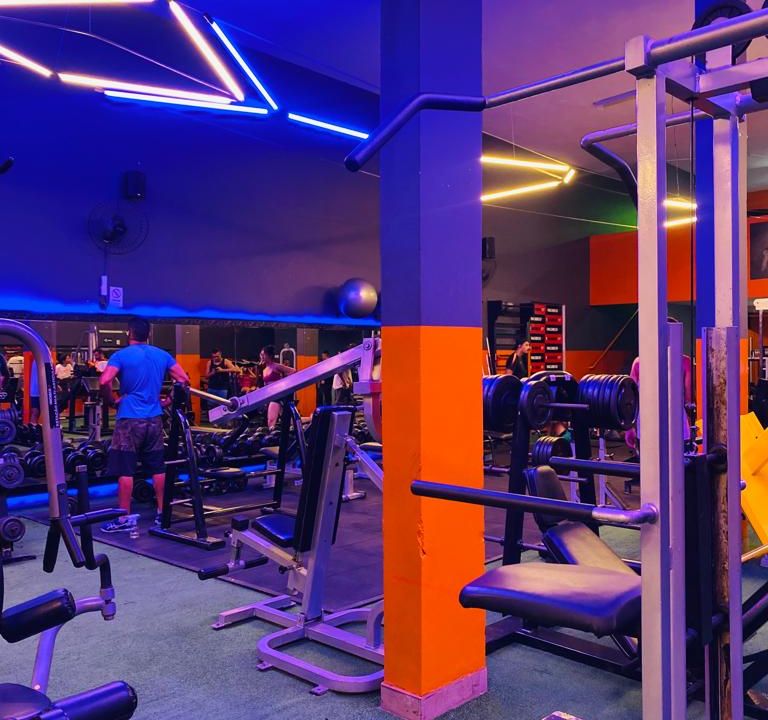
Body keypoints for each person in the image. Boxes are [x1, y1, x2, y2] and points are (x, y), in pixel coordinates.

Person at [98, 318, 189, 534]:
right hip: (154, 418)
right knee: (157, 467)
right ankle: (162, 512)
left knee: (126, 470)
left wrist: (111, 400)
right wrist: (167, 401)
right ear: (148, 334)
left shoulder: (120, 355)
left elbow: (104, 381)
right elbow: (184, 380)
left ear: (129, 332)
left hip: (129, 419)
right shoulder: (162, 355)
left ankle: (124, 518)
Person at [625, 318, 693, 454]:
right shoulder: (684, 362)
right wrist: (689, 423)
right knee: (679, 463)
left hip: (648, 425)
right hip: (674, 424)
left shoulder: (639, 362)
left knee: (650, 464)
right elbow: (688, 398)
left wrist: (629, 427)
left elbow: (631, 399)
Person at [259, 344, 296, 429]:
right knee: (289, 421)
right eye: (261, 355)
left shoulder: (276, 366)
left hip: (277, 396)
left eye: (263, 355)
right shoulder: (264, 369)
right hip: (269, 396)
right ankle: (310, 419)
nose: (262, 357)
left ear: (269, 355)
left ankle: (272, 435)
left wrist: (284, 384)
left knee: (271, 420)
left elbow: (293, 371)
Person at [55, 352, 74, 418]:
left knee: (65, 403)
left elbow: (72, 374)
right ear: (63, 360)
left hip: (68, 383)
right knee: (60, 401)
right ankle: (56, 415)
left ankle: (58, 414)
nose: (69, 359)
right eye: (67, 358)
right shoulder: (58, 367)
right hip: (60, 384)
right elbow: (55, 376)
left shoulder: (69, 366)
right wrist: (57, 385)